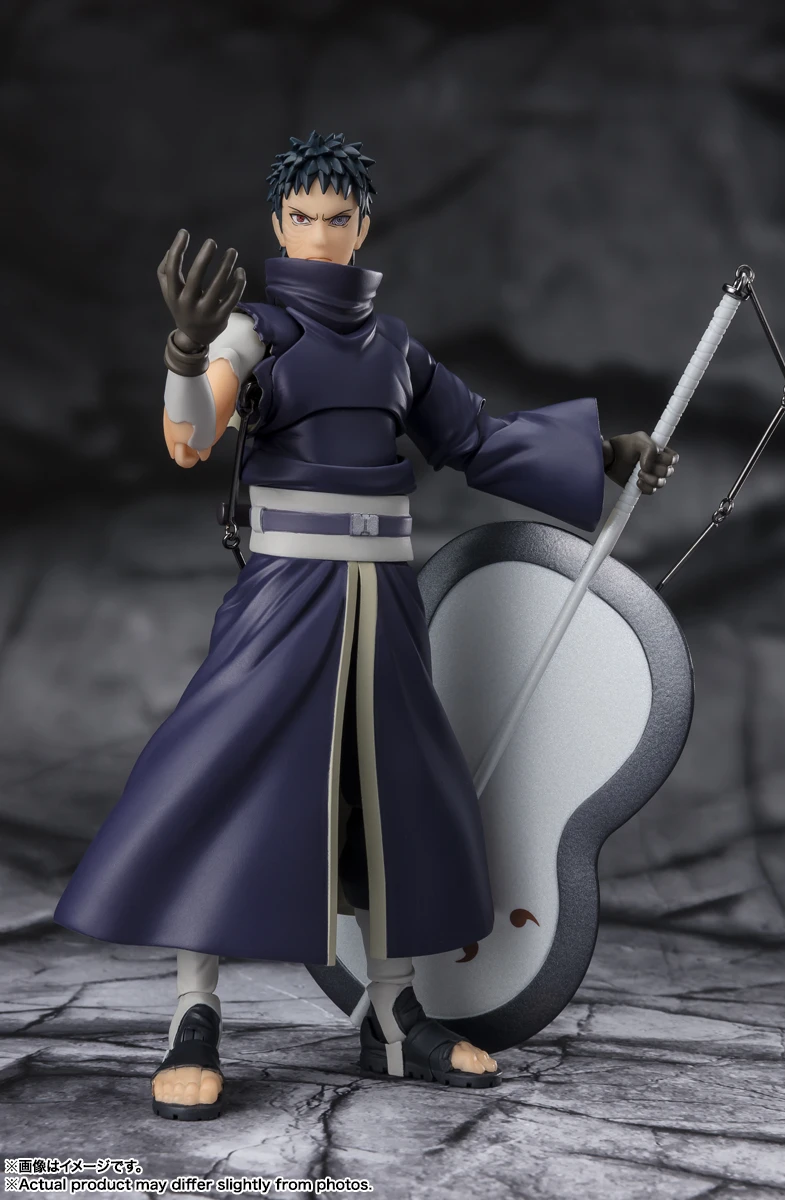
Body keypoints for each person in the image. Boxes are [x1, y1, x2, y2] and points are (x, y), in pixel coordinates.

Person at [53, 132, 678, 1119]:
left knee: (393, 795)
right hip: (286, 594)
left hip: (383, 597)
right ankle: (193, 1013)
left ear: (362, 228)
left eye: (334, 218)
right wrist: (184, 351)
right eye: (300, 217)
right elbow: (189, 435)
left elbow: (477, 440)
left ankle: (392, 1016)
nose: (316, 235)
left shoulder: (394, 349)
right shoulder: (254, 331)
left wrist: (604, 453)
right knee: (218, 774)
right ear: (278, 224)